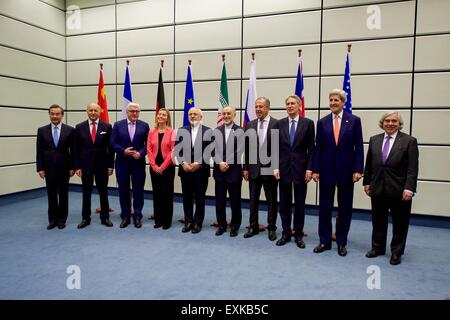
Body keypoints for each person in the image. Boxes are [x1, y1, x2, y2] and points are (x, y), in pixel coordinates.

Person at [312, 89, 364, 256]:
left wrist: (358, 169)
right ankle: (324, 241)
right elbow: (317, 148)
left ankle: (341, 242)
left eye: (336, 100)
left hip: (347, 172)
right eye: (331, 100)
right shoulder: (322, 122)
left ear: (343, 102)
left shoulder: (354, 121)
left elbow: (359, 147)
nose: (333, 103)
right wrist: (315, 169)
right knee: (325, 208)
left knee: (344, 209)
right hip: (326, 171)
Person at [363, 112, 419, 265]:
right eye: (387, 121)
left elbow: (412, 169)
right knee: (378, 220)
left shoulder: (409, 141)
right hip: (378, 188)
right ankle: (377, 248)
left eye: (394, 121)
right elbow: (369, 165)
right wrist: (366, 183)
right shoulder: (375, 140)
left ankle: (396, 252)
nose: (390, 123)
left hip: (400, 190)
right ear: (382, 123)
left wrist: (409, 188)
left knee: (400, 223)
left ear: (399, 123)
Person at [273, 95, 315, 248]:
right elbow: (275, 148)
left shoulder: (308, 124)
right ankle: (285, 233)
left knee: (299, 204)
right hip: (283, 169)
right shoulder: (279, 124)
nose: (290, 106)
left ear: (299, 106)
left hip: (301, 170)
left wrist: (310, 168)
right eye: (287, 104)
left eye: (293, 104)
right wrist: (275, 167)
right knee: (283, 204)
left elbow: (312, 149)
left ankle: (298, 234)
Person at [243, 97, 279, 241]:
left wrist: (277, 167)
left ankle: (271, 228)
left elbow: (279, 149)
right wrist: (245, 168)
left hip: (270, 170)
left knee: (271, 202)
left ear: (268, 108)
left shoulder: (277, 124)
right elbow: (247, 148)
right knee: (253, 201)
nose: (258, 109)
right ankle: (253, 226)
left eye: (261, 107)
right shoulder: (250, 124)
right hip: (253, 170)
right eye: (256, 106)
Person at [74, 103, 114, 228]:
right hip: (85, 166)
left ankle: (105, 217)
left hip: (102, 166)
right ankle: (85, 218)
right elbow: (76, 149)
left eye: (95, 110)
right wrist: (77, 166)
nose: (92, 112)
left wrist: (110, 165)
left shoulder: (107, 126)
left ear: (100, 111)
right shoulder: (79, 127)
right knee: (86, 192)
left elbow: (110, 148)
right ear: (87, 111)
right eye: (90, 110)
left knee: (103, 192)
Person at [110, 103, 149, 228]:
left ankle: (137, 216)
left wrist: (141, 153)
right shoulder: (117, 125)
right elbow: (112, 143)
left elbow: (148, 144)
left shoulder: (144, 126)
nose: (135, 113)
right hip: (122, 163)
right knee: (123, 191)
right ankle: (125, 216)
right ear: (127, 112)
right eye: (132, 111)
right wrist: (123, 151)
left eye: (137, 111)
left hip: (138, 163)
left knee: (138, 191)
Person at [36, 104, 75, 230]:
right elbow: (39, 151)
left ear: (62, 115)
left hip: (64, 168)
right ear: (49, 114)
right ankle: (52, 220)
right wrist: (40, 168)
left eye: (58, 114)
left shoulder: (70, 130)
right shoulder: (41, 130)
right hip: (48, 168)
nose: (55, 116)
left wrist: (72, 167)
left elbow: (73, 151)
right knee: (51, 195)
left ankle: (62, 220)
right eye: (52, 113)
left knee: (63, 195)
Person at [175, 107, 212, 234]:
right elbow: (177, 150)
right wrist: (184, 163)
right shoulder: (181, 130)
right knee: (187, 197)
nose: (192, 116)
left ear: (201, 117)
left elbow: (210, 151)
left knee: (200, 198)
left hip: (201, 171)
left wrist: (198, 163)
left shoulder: (208, 131)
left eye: (195, 114)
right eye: (190, 114)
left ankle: (198, 222)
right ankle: (188, 221)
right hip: (185, 170)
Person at [213, 106, 244, 237]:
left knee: (235, 201)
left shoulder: (241, 131)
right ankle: (221, 225)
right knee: (220, 201)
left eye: (228, 114)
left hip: (234, 172)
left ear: (234, 115)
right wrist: (220, 162)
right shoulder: (216, 131)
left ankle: (235, 226)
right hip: (219, 171)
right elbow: (212, 150)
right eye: (224, 113)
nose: (226, 116)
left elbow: (240, 150)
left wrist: (227, 163)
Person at [147, 108, 176, 230]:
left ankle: (166, 221)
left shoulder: (172, 132)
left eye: (164, 115)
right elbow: (149, 150)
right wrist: (154, 166)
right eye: (159, 114)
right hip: (154, 167)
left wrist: (163, 167)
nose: (161, 116)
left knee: (167, 195)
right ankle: (158, 220)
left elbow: (173, 151)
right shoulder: (151, 132)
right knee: (157, 194)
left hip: (167, 167)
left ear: (167, 118)